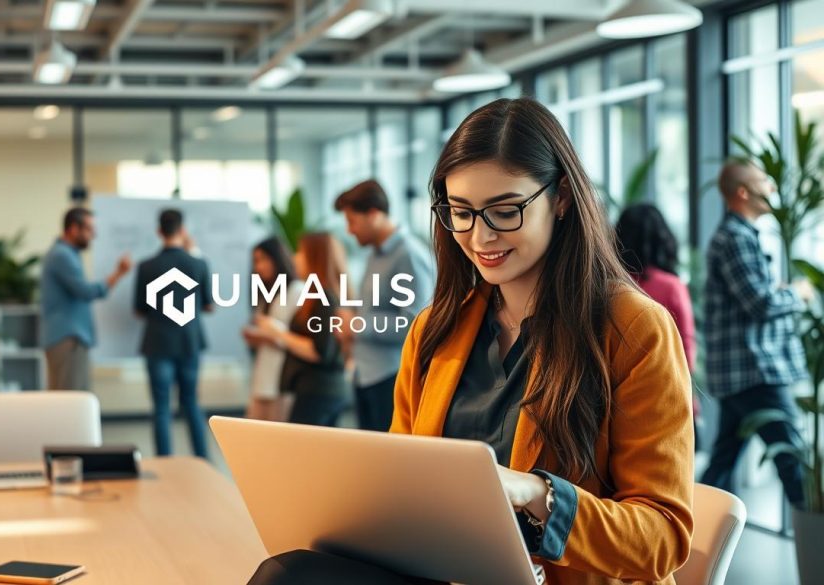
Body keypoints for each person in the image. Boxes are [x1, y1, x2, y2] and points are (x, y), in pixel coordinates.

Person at [250, 98, 693, 585]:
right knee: (288, 573)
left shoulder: (632, 328)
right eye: (460, 212)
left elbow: (664, 537)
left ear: (561, 197)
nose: (480, 236)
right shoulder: (437, 329)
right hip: (447, 571)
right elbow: (403, 479)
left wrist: (536, 494)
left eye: (504, 211)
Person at [700, 159, 814, 509]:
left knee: (720, 467)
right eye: (765, 182)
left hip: (742, 373)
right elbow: (760, 304)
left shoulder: (737, 236)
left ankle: (684, 544)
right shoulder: (736, 237)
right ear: (743, 192)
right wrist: (798, 292)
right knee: (796, 466)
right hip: (756, 372)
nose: (773, 188)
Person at [334, 180, 435, 432]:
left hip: (391, 377)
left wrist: (357, 325)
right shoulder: (374, 254)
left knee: (389, 465)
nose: (349, 230)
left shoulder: (408, 255)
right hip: (365, 373)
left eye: (352, 221)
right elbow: (373, 309)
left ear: (373, 214)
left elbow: (415, 324)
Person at [615, 203, 701, 446]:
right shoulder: (671, 286)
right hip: (664, 395)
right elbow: (686, 347)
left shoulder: (610, 285)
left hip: (616, 400)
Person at [133, 209, 213, 458]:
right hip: (189, 342)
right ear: (183, 230)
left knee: (161, 408)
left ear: (159, 232)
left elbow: (139, 310)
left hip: (157, 343)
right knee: (191, 404)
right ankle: (204, 460)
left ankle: (165, 463)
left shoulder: (146, 266)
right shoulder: (198, 263)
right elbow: (209, 305)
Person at [252, 232, 351, 428]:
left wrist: (277, 332)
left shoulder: (323, 297)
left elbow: (319, 351)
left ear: (314, 258)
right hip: (313, 387)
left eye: (301, 252)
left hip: (319, 389)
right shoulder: (316, 295)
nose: (295, 257)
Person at [40, 207, 131, 391]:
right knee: (69, 401)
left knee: (69, 400)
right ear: (74, 229)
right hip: (68, 338)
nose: (94, 235)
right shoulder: (62, 255)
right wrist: (118, 273)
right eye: (90, 229)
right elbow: (86, 292)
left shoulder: (66, 254)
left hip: (67, 339)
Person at [242, 237, 303, 422]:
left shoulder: (297, 291)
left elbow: (301, 336)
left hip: (285, 378)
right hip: (263, 375)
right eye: (255, 261)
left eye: (263, 259)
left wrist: (271, 332)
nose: (258, 267)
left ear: (277, 259)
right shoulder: (266, 293)